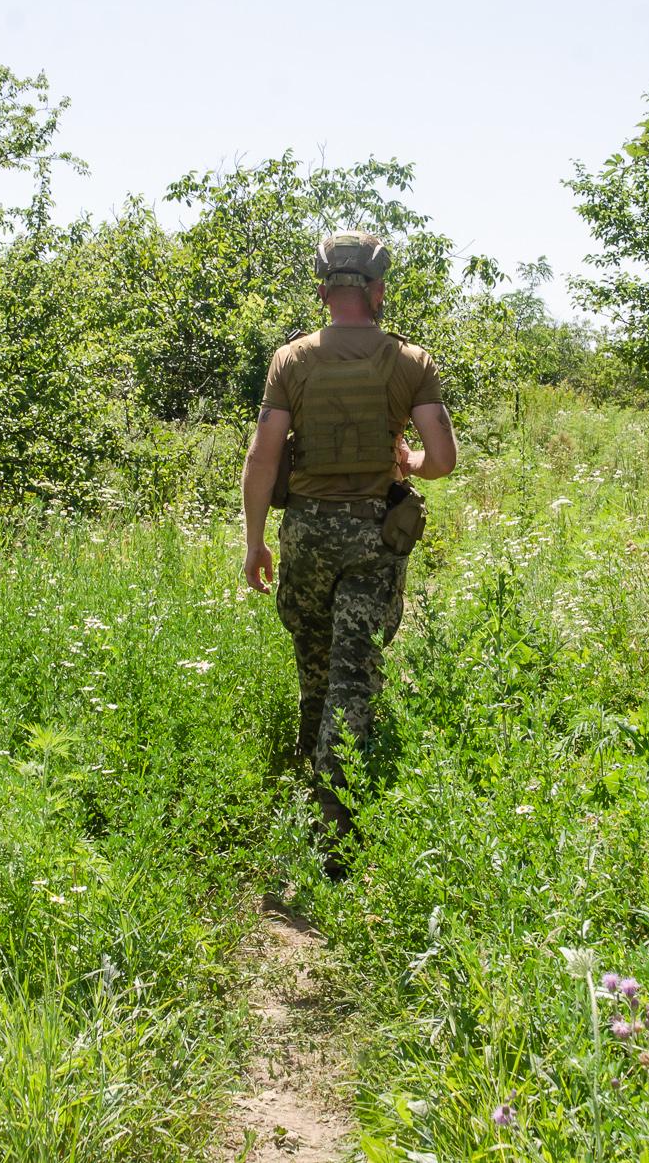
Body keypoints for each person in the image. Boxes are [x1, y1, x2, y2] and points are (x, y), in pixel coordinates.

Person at [240, 230, 458, 876]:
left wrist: (254, 540)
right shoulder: (409, 361)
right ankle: (336, 837)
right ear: (378, 290)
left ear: (325, 290)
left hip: (305, 535)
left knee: (316, 670)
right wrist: (408, 459)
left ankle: (309, 791)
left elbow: (263, 457)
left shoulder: (291, 360)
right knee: (353, 678)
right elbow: (440, 459)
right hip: (371, 538)